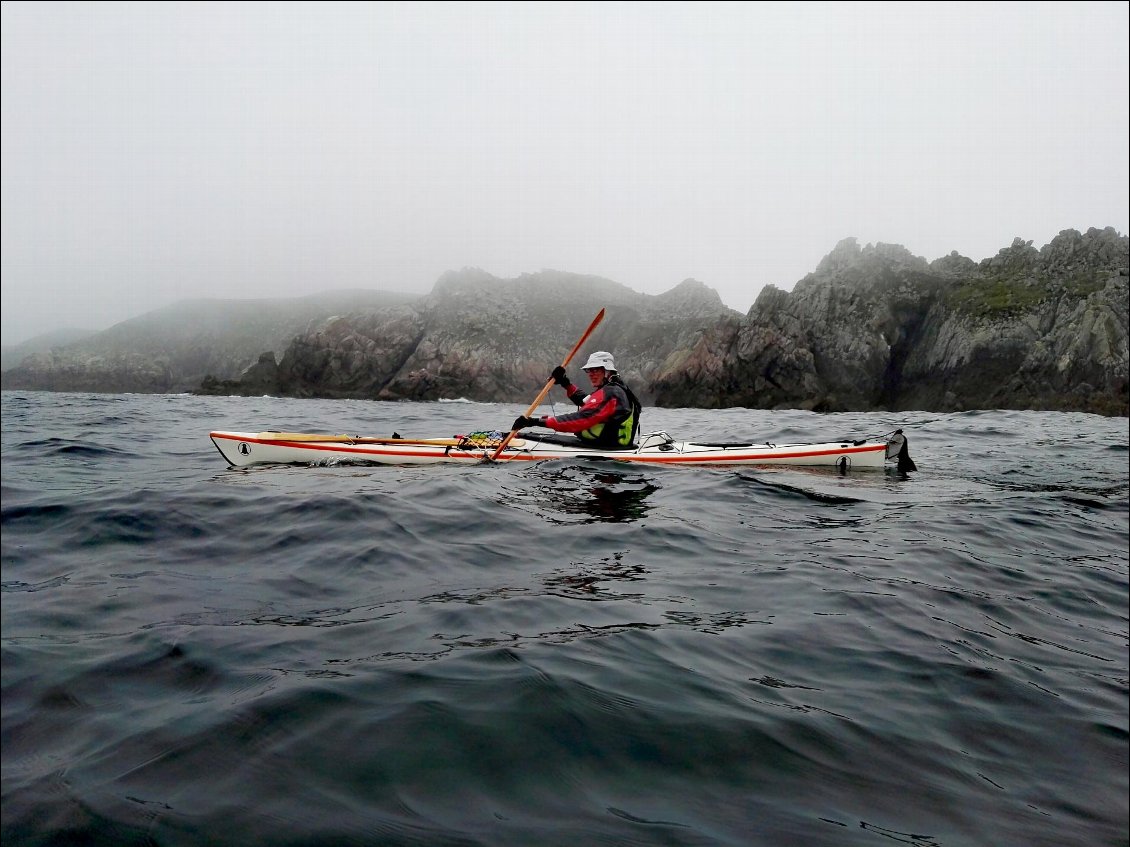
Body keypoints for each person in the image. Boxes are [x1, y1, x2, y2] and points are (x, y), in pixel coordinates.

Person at [511, 351, 641, 449]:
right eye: (588, 370)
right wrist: (565, 383)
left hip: (606, 452)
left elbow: (579, 420)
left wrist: (535, 422)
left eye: (595, 369)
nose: (591, 374)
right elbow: (587, 402)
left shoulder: (611, 393)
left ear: (607, 371)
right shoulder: (615, 389)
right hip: (602, 446)